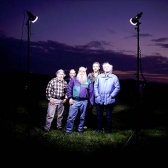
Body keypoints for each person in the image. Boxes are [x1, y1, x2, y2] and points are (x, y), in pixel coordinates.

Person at [65, 66, 94, 134]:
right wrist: (70, 98)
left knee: (82, 117)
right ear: (78, 72)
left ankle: (80, 129)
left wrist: (91, 102)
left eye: (84, 71)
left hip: (84, 101)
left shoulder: (88, 81)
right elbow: (69, 89)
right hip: (74, 101)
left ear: (85, 72)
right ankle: (68, 130)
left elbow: (91, 92)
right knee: (71, 117)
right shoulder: (74, 80)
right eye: (80, 71)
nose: (82, 72)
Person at [94, 62, 120, 134]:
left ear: (111, 68)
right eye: (105, 67)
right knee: (99, 116)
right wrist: (97, 95)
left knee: (108, 116)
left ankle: (108, 130)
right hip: (99, 99)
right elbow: (95, 86)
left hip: (109, 100)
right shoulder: (99, 77)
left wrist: (111, 96)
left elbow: (117, 88)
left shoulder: (114, 77)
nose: (106, 68)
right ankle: (98, 129)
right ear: (103, 68)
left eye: (108, 67)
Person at [43, 69, 67, 133]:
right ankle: (47, 127)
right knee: (50, 115)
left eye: (62, 74)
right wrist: (50, 98)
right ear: (57, 74)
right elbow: (48, 90)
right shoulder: (52, 81)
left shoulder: (64, 82)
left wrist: (65, 98)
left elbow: (66, 92)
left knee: (60, 115)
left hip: (61, 100)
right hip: (53, 99)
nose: (61, 75)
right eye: (60, 74)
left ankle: (59, 127)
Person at [85, 62, 101, 129]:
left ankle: (98, 125)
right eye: (94, 66)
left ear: (99, 67)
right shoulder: (89, 75)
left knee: (99, 110)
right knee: (89, 109)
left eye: (96, 66)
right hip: (90, 95)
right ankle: (87, 124)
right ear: (92, 67)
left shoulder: (101, 75)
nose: (95, 67)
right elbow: (86, 83)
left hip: (99, 95)